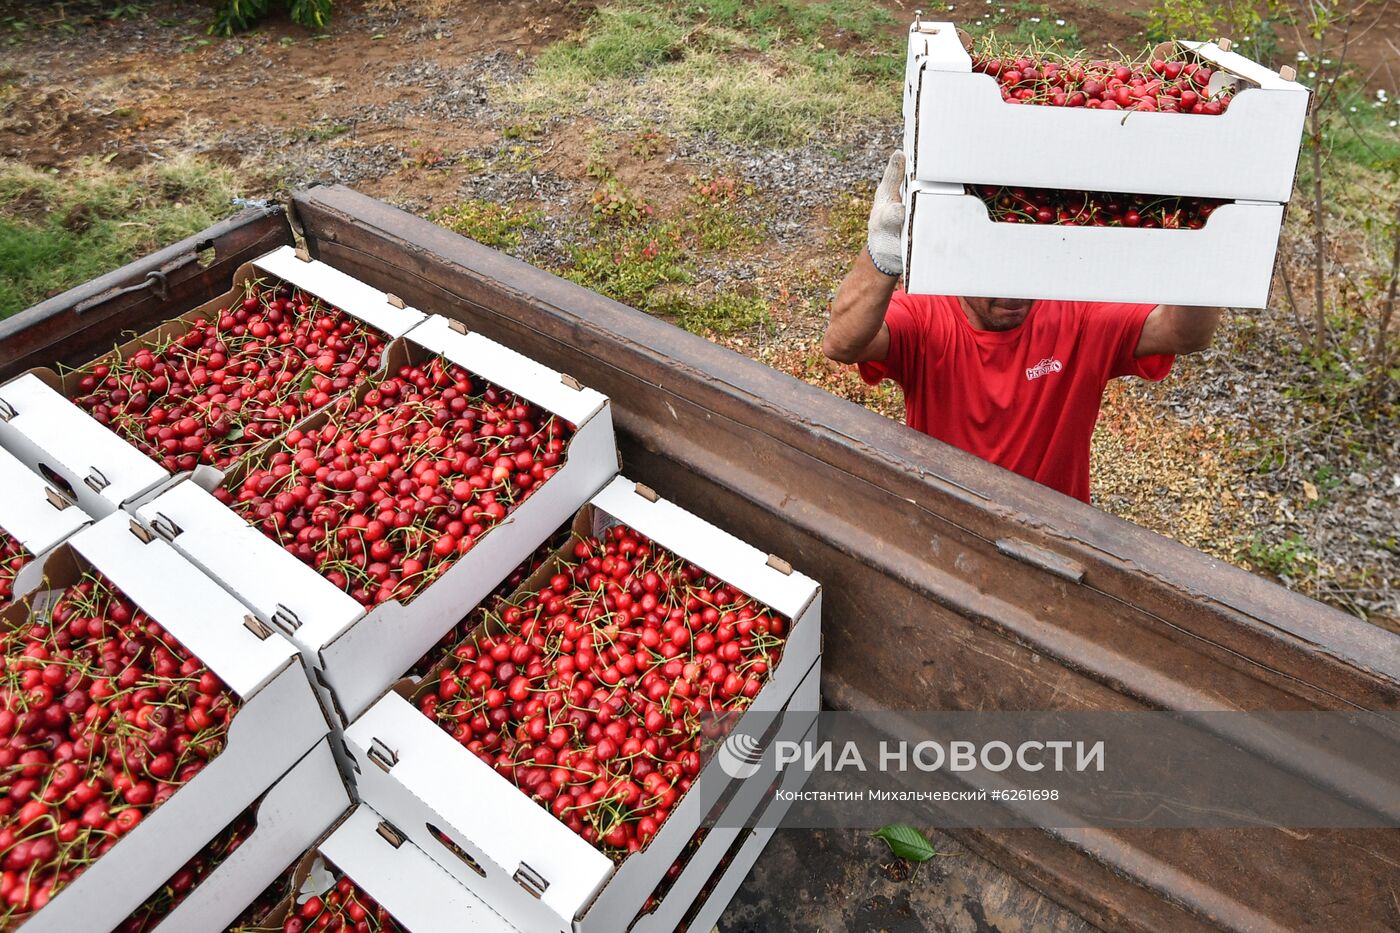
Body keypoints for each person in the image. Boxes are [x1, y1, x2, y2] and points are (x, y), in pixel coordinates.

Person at [822, 153, 1223, 503]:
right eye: (996, 277)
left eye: (1026, 274)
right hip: (947, 518)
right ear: (959, 263)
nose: (1015, 294)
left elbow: (1183, 334)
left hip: (1054, 534)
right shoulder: (928, 313)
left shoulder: (1076, 314)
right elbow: (841, 343)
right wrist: (883, 250)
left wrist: (1205, 245)